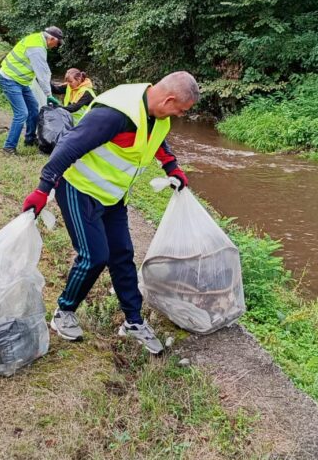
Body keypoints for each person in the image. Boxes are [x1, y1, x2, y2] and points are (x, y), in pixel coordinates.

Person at [22, 72, 199, 354]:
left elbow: (156, 139)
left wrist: (171, 167)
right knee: (94, 256)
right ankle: (64, 312)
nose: (180, 115)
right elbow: (69, 145)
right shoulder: (116, 114)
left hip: (113, 196)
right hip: (79, 189)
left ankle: (133, 321)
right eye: (181, 109)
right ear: (169, 100)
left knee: (122, 255)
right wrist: (43, 189)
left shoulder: (157, 115)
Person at [0, 27, 64, 155]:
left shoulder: (37, 40)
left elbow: (44, 70)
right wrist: (48, 95)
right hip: (9, 79)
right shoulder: (37, 48)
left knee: (33, 108)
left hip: (21, 81)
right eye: (57, 43)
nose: (56, 46)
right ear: (51, 38)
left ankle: (30, 139)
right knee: (21, 113)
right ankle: (8, 147)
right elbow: (42, 74)